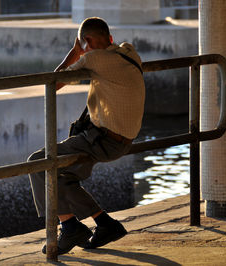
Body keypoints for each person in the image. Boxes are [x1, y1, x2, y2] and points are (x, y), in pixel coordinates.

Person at [27, 17, 145, 255]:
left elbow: (53, 83)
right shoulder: (130, 53)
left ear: (86, 42)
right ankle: (103, 224)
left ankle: (70, 226)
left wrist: (74, 53)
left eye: (83, 45)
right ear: (110, 39)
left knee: (38, 163)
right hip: (126, 139)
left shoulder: (93, 58)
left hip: (104, 141)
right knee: (63, 176)